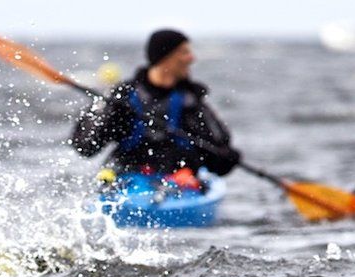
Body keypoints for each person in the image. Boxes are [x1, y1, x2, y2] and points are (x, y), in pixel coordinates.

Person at [70, 29, 241, 182]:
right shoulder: (124, 96)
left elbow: (219, 160)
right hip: (127, 177)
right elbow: (85, 146)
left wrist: (227, 157)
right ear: (166, 57)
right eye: (184, 52)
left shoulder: (191, 101)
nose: (191, 58)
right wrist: (111, 113)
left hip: (181, 179)